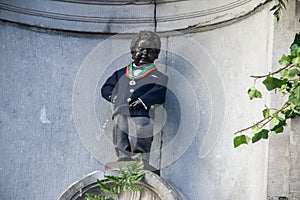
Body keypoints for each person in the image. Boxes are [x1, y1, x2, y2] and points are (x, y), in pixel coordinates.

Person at [101, 31, 168, 164]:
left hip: (143, 110)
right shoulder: (120, 73)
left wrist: (144, 101)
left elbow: (159, 92)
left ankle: (141, 157)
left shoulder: (159, 77)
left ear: (156, 55)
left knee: (143, 129)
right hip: (121, 108)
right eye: (141, 49)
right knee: (120, 127)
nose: (144, 54)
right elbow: (106, 88)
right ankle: (123, 154)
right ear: (133, 52)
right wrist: (115, 98)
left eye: (150, 51)